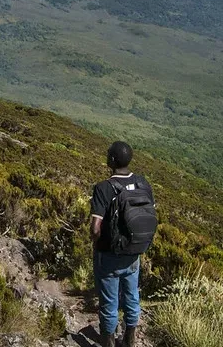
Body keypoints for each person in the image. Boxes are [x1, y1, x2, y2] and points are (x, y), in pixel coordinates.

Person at [90, 141, 155, 347]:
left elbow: (95, 228)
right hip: (134, 252)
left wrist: (97, 244)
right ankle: (129, 340)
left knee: (109, 302)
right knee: (132, 295)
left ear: (111, 160)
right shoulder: (143, 183)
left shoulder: (103, 188)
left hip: (109, 254)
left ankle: (108, 342)